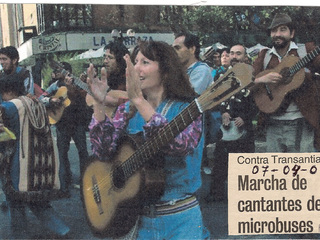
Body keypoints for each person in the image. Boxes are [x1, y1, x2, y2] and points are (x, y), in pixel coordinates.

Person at [87, 40, 210, 239]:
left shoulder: (188, 108)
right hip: (139, 221)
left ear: (166, 69)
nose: (135, 68)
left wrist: (139, 101)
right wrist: (99, 104)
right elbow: (103, 152)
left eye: (145, 62)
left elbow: (180, 146)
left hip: (180, 219)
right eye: (135, 62)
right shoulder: (127, 110)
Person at [0, 73, 70, 238]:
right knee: (39, 203)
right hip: (39, 165)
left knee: (15, 201)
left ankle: (20, 236)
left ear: (7, 91)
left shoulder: (10, 107)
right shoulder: (35, 102)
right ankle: (63, 231)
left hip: (19, 166)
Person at [252, 13, 320, 152]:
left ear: (292, 33)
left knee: (302, 170)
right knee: (274, 169)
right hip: (272, 123)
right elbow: (246, 82)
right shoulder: (264, 56)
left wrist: (307, 76)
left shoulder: (306, 50)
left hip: (301, 122)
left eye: (282, 29)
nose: (277, 34)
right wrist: (261, 79)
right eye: (274, 30)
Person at [206, 44, 257, 202]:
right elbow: (218, 99)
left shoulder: (253, 76)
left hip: (245, 127)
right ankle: (217, 194)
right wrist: (224, 113)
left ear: (245, 57)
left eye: (238, 54)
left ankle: (243, 196)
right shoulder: (223, 76)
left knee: (244, 163)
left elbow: (258, 103)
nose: (234, 56)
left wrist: (246, 118)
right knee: (220, 161)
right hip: (226, 126)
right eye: (232, 53)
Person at [39, 62, 89, 194]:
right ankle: (64, 184)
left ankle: (87, 180)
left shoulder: (79, 85)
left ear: (67, 72)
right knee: (62, 154)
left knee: (83, 152)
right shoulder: (55, 86)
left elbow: (88, 96)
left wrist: (75, 88)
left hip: (78, 122)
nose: (56, 72)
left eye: (59, 70)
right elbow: (40, 98)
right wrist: (51, 101)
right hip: (62, 123)